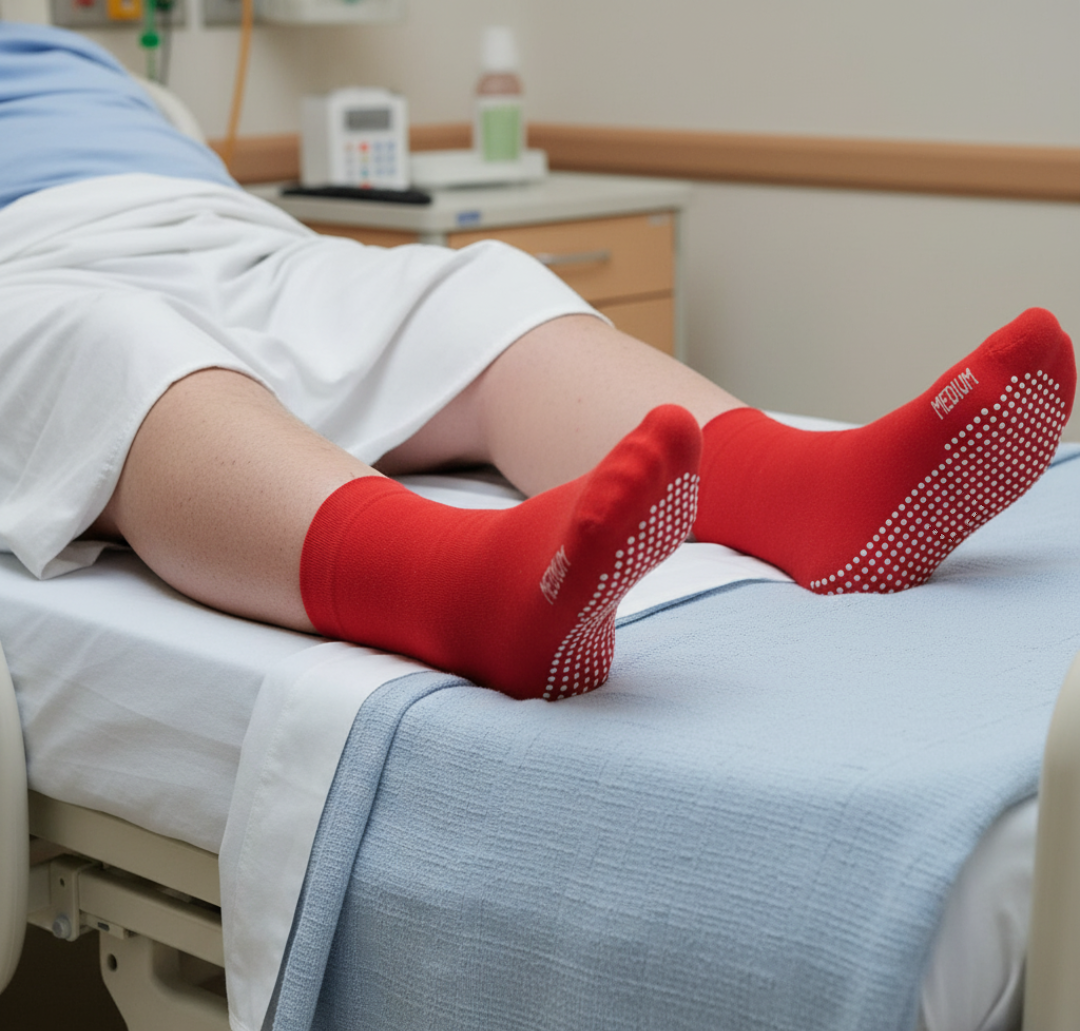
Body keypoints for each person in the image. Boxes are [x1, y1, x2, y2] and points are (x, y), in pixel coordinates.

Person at [0, 22, 1075, 701]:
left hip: (223, 232)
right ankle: (465, 590)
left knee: (475, 287)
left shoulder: (68, 53)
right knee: (112, 348)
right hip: (27, 267)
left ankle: (817, 496)